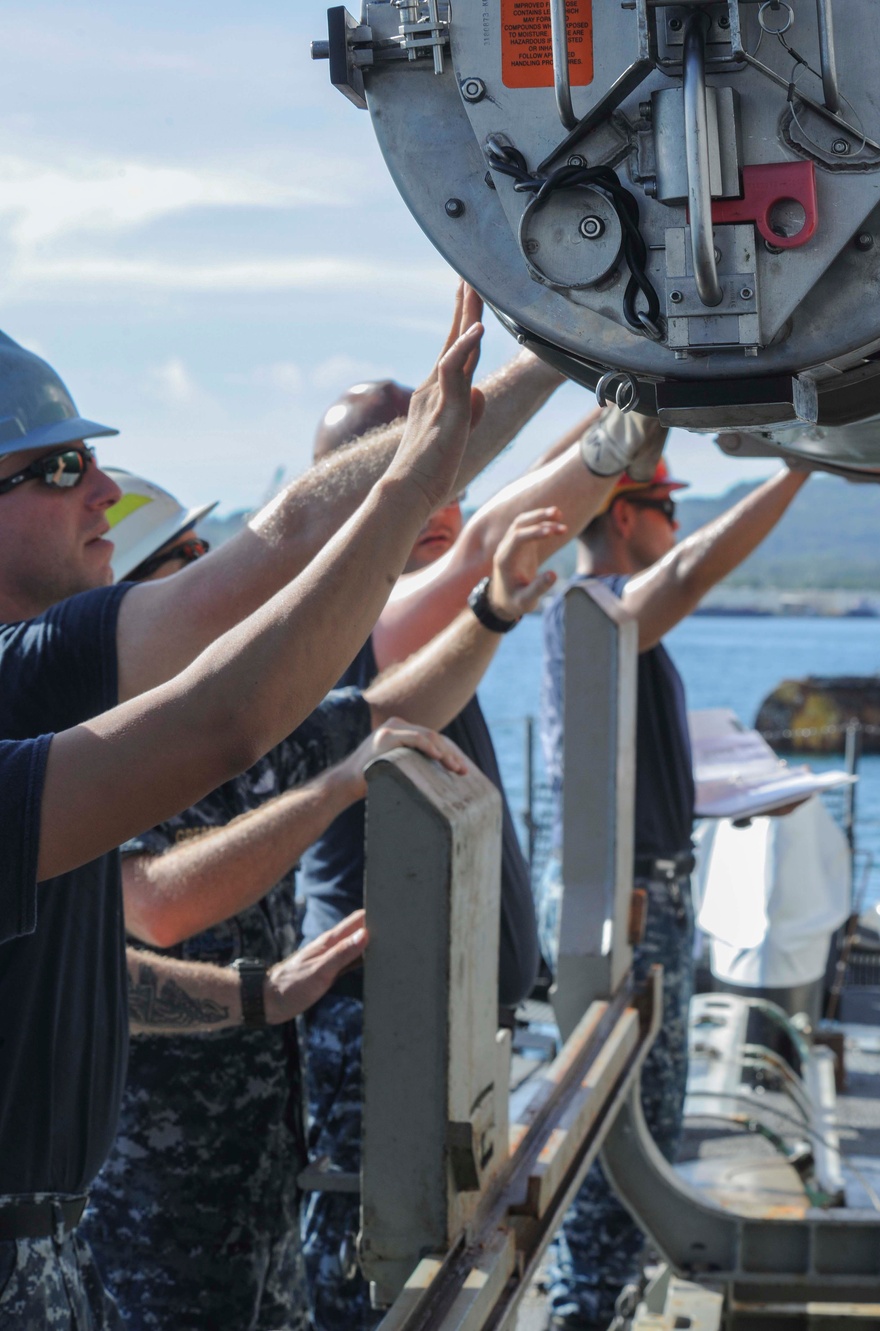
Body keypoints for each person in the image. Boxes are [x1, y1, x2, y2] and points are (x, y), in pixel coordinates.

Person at [0, 288, 493, 1329]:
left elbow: (278, 543)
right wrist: (412, 478)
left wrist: (571, 362)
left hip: (69, 1239)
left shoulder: (31, 679)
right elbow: (224, 722)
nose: (101, 491)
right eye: (55, 468)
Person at [81, 471, 564, 1331]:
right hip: (158, 1207)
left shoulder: (236, 729)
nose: (208, 579)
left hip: (262, 1180)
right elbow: (154, 904)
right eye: (179, 561)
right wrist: (334, 789)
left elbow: (388, 707)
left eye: (206, 554)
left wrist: (494, 608)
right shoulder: (93, 758)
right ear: (121, 609)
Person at [299, 389, 667, 1327]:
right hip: (377, 1030)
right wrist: (623, 427)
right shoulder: (345, 620)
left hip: (449, 1027)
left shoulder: (412, 590)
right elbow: (484, 545)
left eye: (454, 482)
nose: (451, 505)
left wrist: (613, 405)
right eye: (425, 484)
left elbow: (505, 514)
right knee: (370, 1293)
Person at [537, 458, 810, 1330]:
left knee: (646, 1126)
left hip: (651, 895)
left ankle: (604, 1301)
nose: (676, 525)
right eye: (665, 506)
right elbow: (691, 572)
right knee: (619, 1144)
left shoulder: (614, 625)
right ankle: (587, 1309)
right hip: (631, 910)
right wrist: (801, 466)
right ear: (623, 514)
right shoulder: (600, 614)